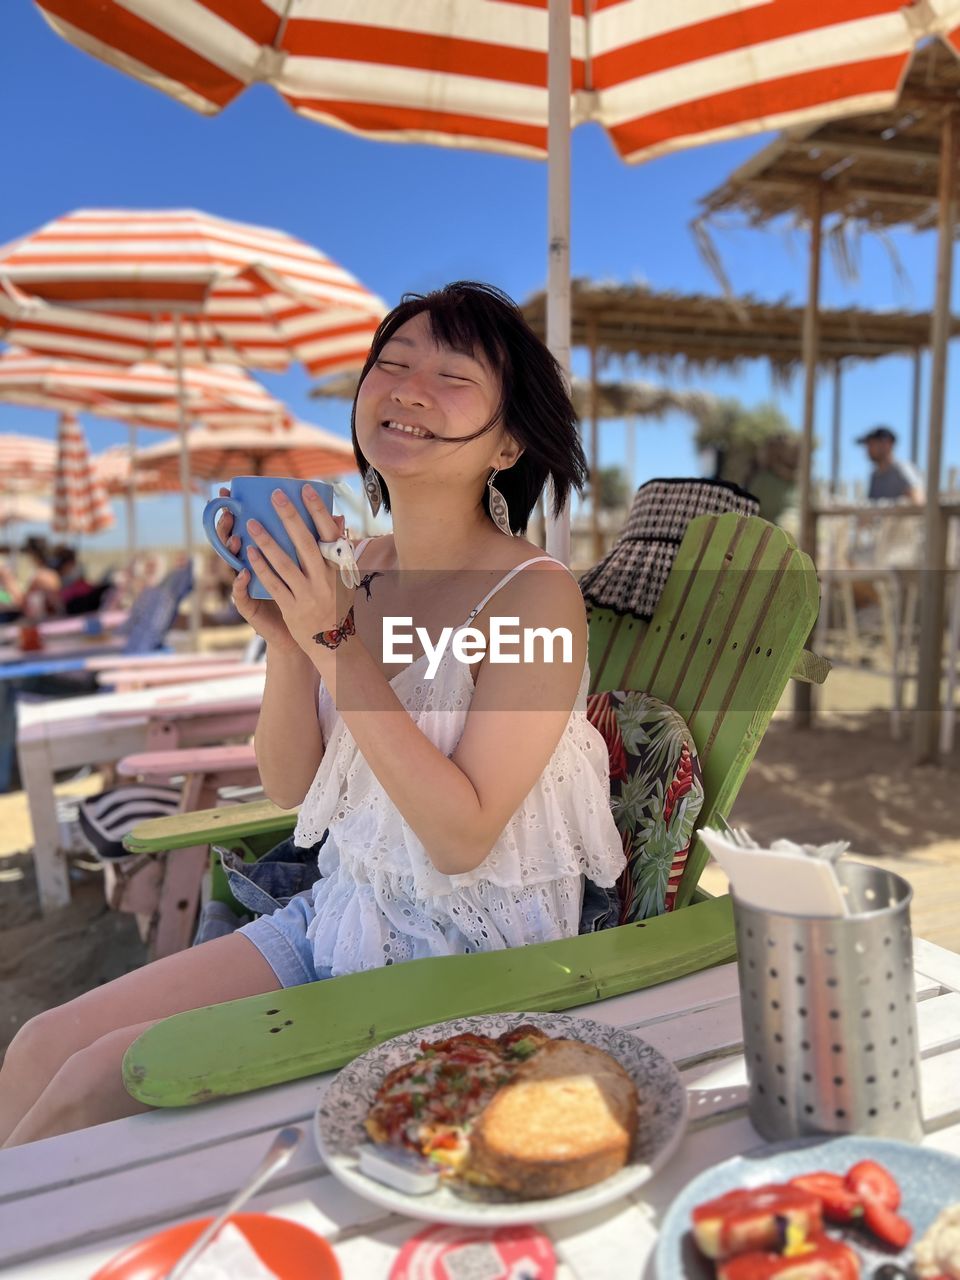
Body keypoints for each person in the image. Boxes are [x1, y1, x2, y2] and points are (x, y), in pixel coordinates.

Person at [0, 281, 627, 1146]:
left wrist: (333, 639)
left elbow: (462, 837)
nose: (407, 388)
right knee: (41, 1048)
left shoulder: (538, 599)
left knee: (87, 1092)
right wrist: (287, 646)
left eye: (452, 377)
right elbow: (295, 789)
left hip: (467, 958)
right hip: (343, 911)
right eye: (392, 363)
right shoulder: (358, 566)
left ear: (509, 441)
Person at [857, 426, 924, 504]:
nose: (868, 449)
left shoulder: (902, 469)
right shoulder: (875, 476)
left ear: (886, 444)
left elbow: (919, 500)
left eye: (871, 444)